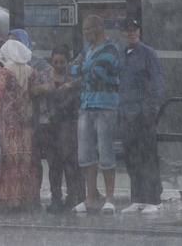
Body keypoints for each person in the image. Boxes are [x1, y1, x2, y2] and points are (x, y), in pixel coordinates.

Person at [68, 13, 121, 214]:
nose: (84, 33)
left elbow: (100, 71)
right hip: (86, 106)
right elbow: (72, 69)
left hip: (106, 107)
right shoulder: (87, 50)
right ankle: (90, 197)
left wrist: (82, 69)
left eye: (87, 29)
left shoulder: (111, 48)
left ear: (97, 29)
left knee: (106, 153)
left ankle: (110, 198)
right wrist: (83, 69)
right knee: (86, 154)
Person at [119, 18, 166, 213]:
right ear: (122, 33)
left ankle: (154, 199)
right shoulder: (122, 55)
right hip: (126, 114)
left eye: (134, 29)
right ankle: (138, 197)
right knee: (131, 156)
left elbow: (156, 83)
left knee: (148, 155)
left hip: (142, 114)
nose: (131, 33)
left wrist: (150, 110)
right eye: (128, 30)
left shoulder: (148, 54)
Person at [0, 38, 39, 209]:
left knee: (9, 160)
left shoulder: (5, 72)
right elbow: (35, 94)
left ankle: (10, 198)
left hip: (8, 123)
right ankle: (26, 197)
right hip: (26, 122)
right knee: (25, 160)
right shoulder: (31, 72)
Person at [35, 44, 84, 212]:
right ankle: (56, 198)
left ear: (67, 62)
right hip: (48, 124)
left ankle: (72, 197)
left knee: (69, 163)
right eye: (55, 62)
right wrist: (44, 88)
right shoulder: (44, 76)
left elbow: (79, 92)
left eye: (62, 62)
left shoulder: (72, 78)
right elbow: (32, 91)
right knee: (54, 163)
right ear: (51, 60)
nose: (58, 65)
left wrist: (68, 88)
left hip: (67, 124)